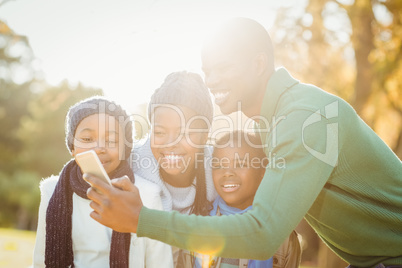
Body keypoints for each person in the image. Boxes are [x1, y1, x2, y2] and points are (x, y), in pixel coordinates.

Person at [85, 18, 402, 268]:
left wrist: (141, 219)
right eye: (208, 71)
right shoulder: (273, 122)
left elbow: (263, 233)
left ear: (259, 64)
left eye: (223, 68)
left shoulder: (304, 118)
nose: (212, 81)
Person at [32, 96, 173, 268]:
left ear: (124, 149)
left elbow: (160, 262)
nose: (99, 148)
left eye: (111, 141)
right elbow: (41, 259)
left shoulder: (147, 194)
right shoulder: (51, 190)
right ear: (72, 147)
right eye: (87, 139)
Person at [131, 71, 218, 266]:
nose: (171, 143)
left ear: (204, 137)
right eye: (160, 132)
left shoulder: (219, 168)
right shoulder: (131, 166)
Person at [182, 130, 301, 268]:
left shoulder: (284, 238)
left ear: (263, 171)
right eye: (218, 166)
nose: (227, 173)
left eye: (240, 164)